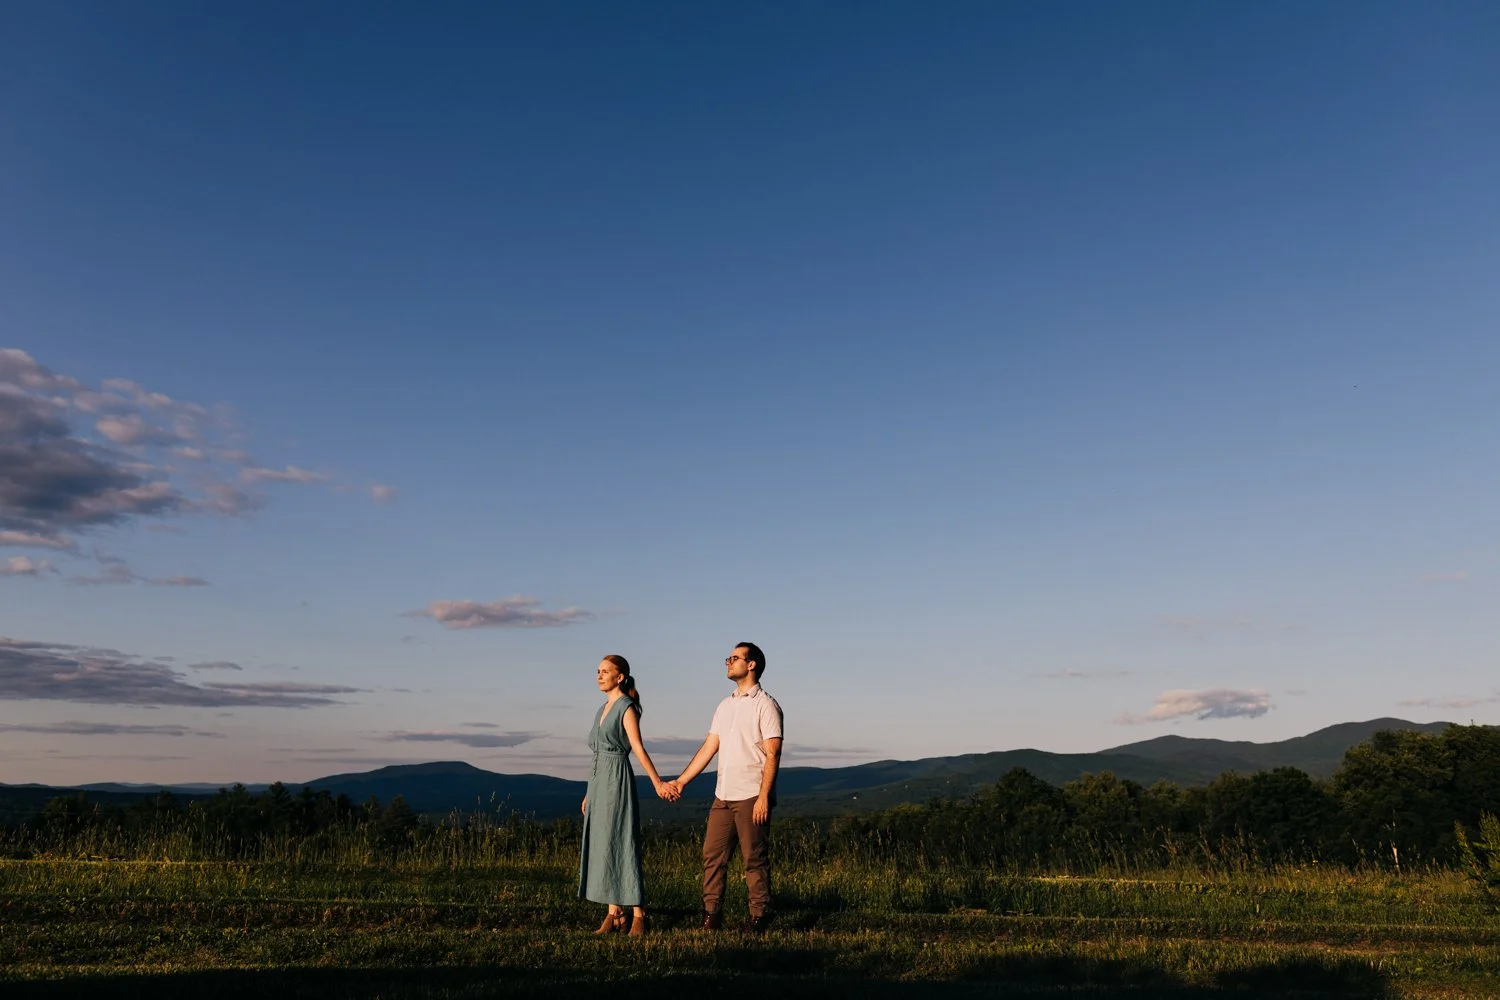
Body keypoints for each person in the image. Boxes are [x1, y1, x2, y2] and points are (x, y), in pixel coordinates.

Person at [668, 641, 783, 932]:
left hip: (751, 795)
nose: (728, 662)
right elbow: (710, 747)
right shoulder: (724, 705)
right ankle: (711, 915)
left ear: (752, 664)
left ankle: (758, 917)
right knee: (712, 856)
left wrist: (763, 797)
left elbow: (773, 754)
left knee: (754, 859)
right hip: (723, 795)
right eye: (728, 658)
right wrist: (682, 781)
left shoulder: (766, 705)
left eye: (734, 658)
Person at [578, 654, 671, 935]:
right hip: (598, 782)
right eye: (597, 671)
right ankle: (613, 912)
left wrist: (657, 782)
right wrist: (588, 793)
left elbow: (638, 748)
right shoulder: (601, 708)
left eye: (605, 671)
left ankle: (639, 914)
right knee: (603, 843)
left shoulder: (626, 707)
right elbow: (596, 755)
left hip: (617, 778)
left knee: (622, 840)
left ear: (620, 677)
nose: (599, 675)